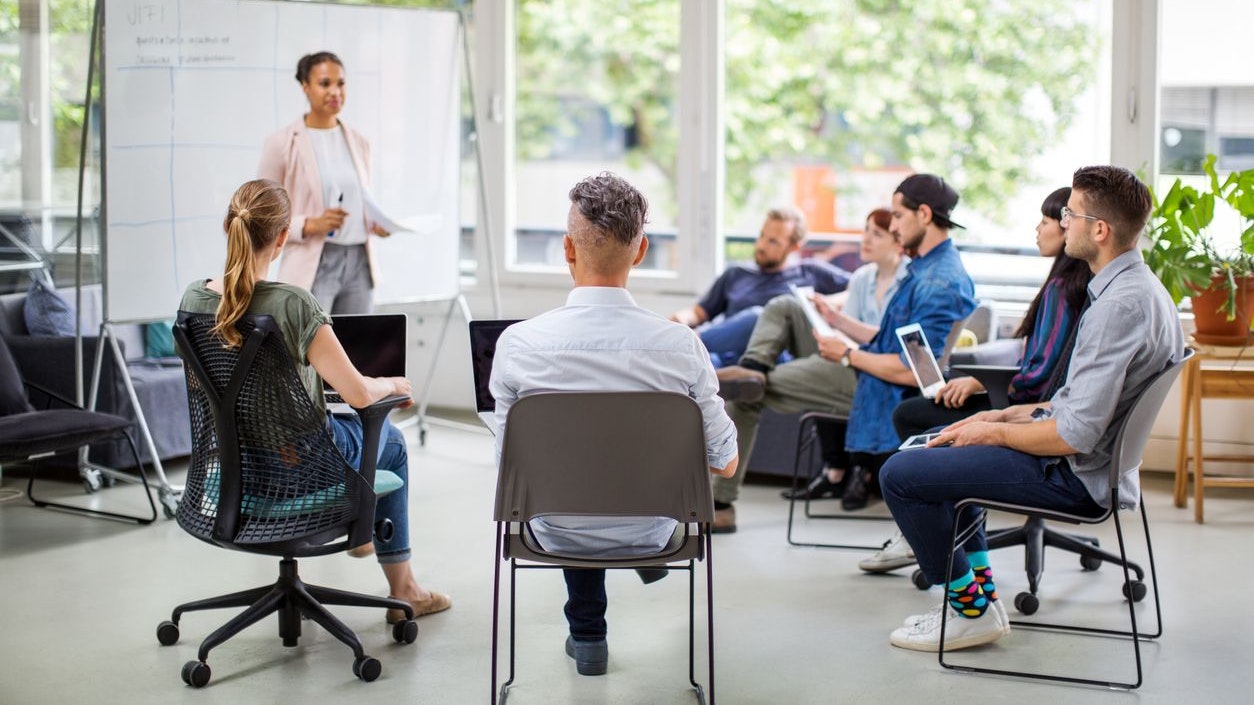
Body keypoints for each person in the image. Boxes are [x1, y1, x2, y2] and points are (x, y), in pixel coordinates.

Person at [878, 165, 1184, 653]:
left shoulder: (1117, 307)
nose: (1063, 222)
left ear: (1099, 230)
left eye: (1070, 214)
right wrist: (1000, 416)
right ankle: (981, 602)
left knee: (901, 475)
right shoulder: (1139, 289)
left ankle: (969, 612)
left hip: (1075, 477)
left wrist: (990, 434)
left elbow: (1073, 435)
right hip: (1090, 466)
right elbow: (1075, 404)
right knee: (947, 454)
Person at [489, 173, 738, 677]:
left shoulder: (518, 344)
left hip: (554, 528)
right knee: (609, 475)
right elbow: (726, 463)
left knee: (572, 486)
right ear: (641, 251)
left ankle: (587, 635)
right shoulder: (680, 346)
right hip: (652, 530)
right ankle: (611, 599)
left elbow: (511, 469)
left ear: (567, 249)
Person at [178, 179, 450, 624]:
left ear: (228, 227)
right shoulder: (293, 303)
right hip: (300, 468)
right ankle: (404, 588)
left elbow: (202, 387)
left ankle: (368, 536)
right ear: (284, 237)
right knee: (393, 442)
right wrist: (390, 384)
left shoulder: (193, 299)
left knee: (357, 432)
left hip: (236, 468)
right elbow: (358, 394)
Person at [712, 174, 975, 531]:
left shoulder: (937, 282)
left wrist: (848, 355)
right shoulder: (925, 269)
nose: (894, 227)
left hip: (879, 386)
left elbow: (912, 371)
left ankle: (720, 503)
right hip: (869, 364)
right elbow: (895, 340)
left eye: (898, 216)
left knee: (745, 398)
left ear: (924, 215)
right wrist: (838, 321)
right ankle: (753, 368)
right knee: (786, 307)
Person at [860, 187, 1092, 574]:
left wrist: (984, 387)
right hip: (1040, 406)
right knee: (924, 417)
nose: (1037, 229)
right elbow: (1041, 359)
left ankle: (932, 536)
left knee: (912, 418)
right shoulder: (1075, 283)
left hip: (1030, 409)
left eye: (1046, 221)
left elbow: (1039, 375)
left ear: (1069, 227)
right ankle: (959, 548)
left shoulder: (1062, 288)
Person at [258, 51, 391, 314]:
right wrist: (310, 224)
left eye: (340, 83)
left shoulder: (360, 142)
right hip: (312, 262)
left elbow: (361, 200)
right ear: (305, 87)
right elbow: (261, 216)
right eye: (324, 83)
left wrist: (376, 223)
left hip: (359, 263)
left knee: (358, 340)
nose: (335, 91)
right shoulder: (281, 143)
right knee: (309, 339)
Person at [669, 207, 849, 368]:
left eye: (773, 242)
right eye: (762, 236)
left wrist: (827, 302)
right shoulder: (736, 274)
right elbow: (699, 312)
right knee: (694, 367)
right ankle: (688, 347)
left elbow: (857, 286)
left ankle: (687, 344)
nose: (761, 245)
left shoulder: (810, 272)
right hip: (727, 355)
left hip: (776, 356)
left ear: (794, 247)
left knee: (761, 316)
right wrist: (681, 318)